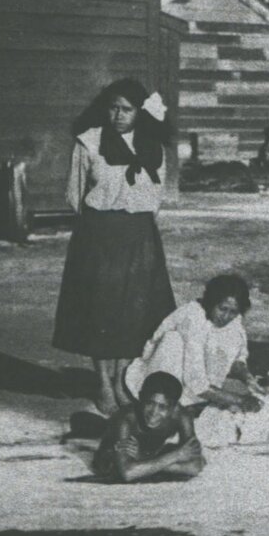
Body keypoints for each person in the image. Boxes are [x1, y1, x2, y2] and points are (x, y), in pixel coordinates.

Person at [54, 78, 176, 415]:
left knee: (134, 311)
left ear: (139, 112)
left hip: (139, 235)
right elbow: (74, 194)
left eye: (127, 109)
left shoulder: (152, 146)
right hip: (99, 235)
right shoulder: (89, 142)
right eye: (113, 107)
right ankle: (103, 384)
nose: (119, 115)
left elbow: (157, 196)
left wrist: (134, 221)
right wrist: (102, 222)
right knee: (102, 310)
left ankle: (123, 380)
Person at [124, 273, 259, 413]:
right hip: (164, 372)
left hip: (196, 377)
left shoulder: (234, 319)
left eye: (232, 312)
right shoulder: (192, 317)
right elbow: (196, 381)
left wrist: (247, 377)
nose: (226, 317)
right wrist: (240, 400)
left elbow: (237, 355)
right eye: (222, 309)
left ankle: (195, 401)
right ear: (212, 302)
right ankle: (170, 403)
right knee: (173, 340)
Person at [94, 372, 205, 483]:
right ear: (141, 397)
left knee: (173, 451)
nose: (154, 412)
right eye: (149, 403)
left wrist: (144, 459)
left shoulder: (181, 415)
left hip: (148, 454)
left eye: (162, 407)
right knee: (110, 466)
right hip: (111, 457)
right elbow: (128, 473)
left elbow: (197, 466)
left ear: (173, 407)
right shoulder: (126, 418)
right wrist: (177, 456)